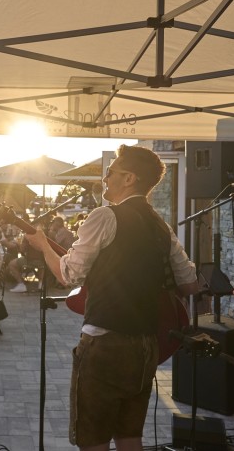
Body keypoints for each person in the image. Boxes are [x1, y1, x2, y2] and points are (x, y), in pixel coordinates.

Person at [26, 144, 198, 451]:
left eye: (111, 171)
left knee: (93, 439)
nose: (106, 178)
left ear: (129, 178)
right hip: (146, 345)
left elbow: (69, 275)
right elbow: (188, 282)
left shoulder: (104, 216)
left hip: (105, 343)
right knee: (130, 436)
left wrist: (43, 246)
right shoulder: (161, 226)